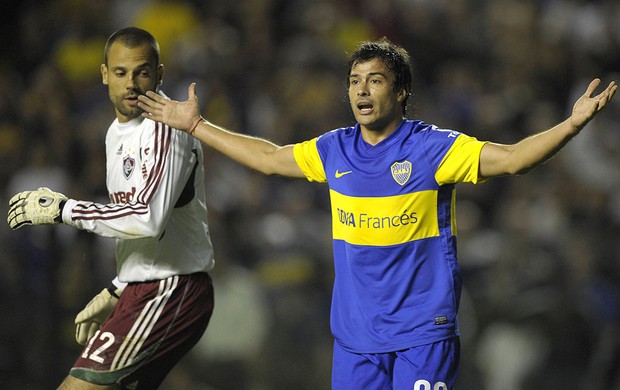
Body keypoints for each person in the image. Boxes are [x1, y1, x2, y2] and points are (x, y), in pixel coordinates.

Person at [137, 38, 617, 389]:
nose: (362, 91)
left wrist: (571, 126)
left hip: (421, 334)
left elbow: (514, 159)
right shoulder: (335, 150)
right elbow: (267, 157)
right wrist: (196, 124)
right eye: (354, 81)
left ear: (401, 91)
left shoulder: (433, 149)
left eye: (375, 80)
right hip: (355, 339)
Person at [7, 27, 215, 389]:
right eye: (121, 72)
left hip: (171, 289)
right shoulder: (113, 134)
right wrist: (117, 289)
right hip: (144, 288)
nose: (131, 83)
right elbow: (131, 222)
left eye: (142, 72)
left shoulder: (167, 127)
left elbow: (146, 218)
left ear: (159, 74)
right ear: (104, 74)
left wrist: (64, 209)